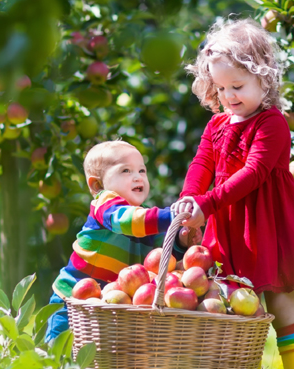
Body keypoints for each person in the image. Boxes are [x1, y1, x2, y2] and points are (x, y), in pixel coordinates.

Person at [171, 18, 294, 369]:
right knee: (230, 307)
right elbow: (201, 164)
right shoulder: (217, 125)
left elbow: (254, 174)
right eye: (221, 88)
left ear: (264, 80)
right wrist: (191, 198)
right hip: (229, 226)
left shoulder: (272, 123)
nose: (229, 96)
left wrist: (206, 203)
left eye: (238, 86)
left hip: (269, 228)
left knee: (282, 308)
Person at [45, 140, 200, 342]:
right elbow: (127, 221)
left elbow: (160, 258)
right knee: (57, 354)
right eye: (126, 171)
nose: (137, 177)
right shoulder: (105, 205)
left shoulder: (145, 219)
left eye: (142, 171)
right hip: (71, 299)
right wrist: (171, 216)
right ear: (97, 185)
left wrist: (180, 241)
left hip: (108, 304)